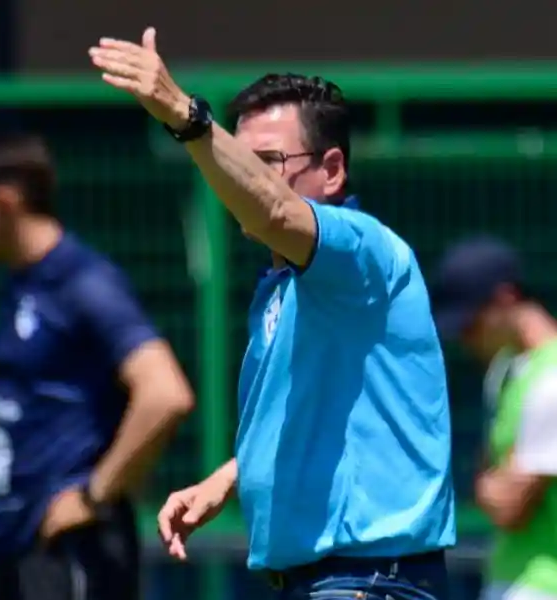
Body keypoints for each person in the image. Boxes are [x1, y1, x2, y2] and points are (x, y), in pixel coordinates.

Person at [90, 30, 455, 600]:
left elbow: (278, 209)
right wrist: (229, 477)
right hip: (329, 581)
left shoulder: (361, 249)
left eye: (267, 162)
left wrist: (185, 116)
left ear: (331, 170)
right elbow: (326, 417)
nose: (247, 178)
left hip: (368, 581)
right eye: (241, 158)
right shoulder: (285, 283)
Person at [0, 134, 194, 600]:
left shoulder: (85, 282)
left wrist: (93, 495)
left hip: (71, 548)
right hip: (19, 539)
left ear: (4, 201)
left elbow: (166, 394)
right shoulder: (22, 282)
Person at [432, 238, 557, 600]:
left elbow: (507, 506)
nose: (467, 337)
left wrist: (495, 482)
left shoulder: (551, 379)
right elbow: (488, 477)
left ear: (505, 298)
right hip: (510, 578)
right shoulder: (507, 372)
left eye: (473, 322)